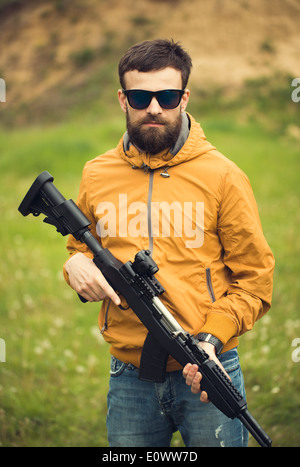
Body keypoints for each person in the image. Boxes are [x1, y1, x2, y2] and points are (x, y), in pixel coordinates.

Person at [63, 39, 275, 447]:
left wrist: (211, 339)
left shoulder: (223, 176)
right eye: (141, 97)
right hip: (129, 378)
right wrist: (74, 264)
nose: (154, 108)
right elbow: (81, 246)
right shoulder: (97, 173)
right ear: (123, 100)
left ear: (184, 97)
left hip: (208, 372)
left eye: (168, 96)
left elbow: (255, 279)